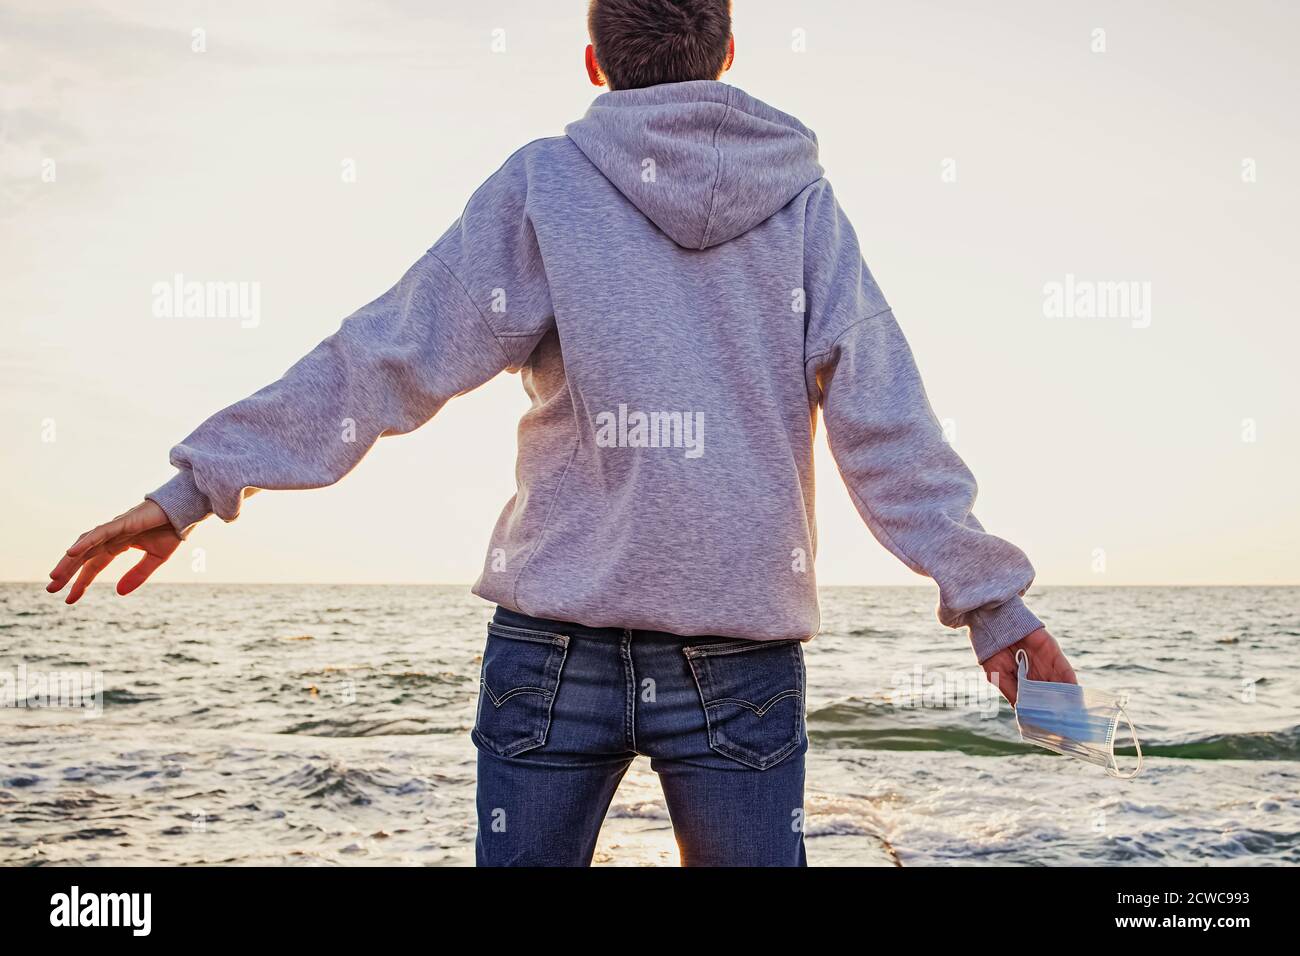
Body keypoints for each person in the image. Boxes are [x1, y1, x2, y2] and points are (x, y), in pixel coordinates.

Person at [47, 0, 1078, 866]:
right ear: (726, 56)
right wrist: (995, 608)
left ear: (594, 63)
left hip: (552, 651)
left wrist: (194, 488)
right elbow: (885, 422)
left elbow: (387, 354)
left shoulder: (549, 182)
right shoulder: (804, 209)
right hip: (737, 655)